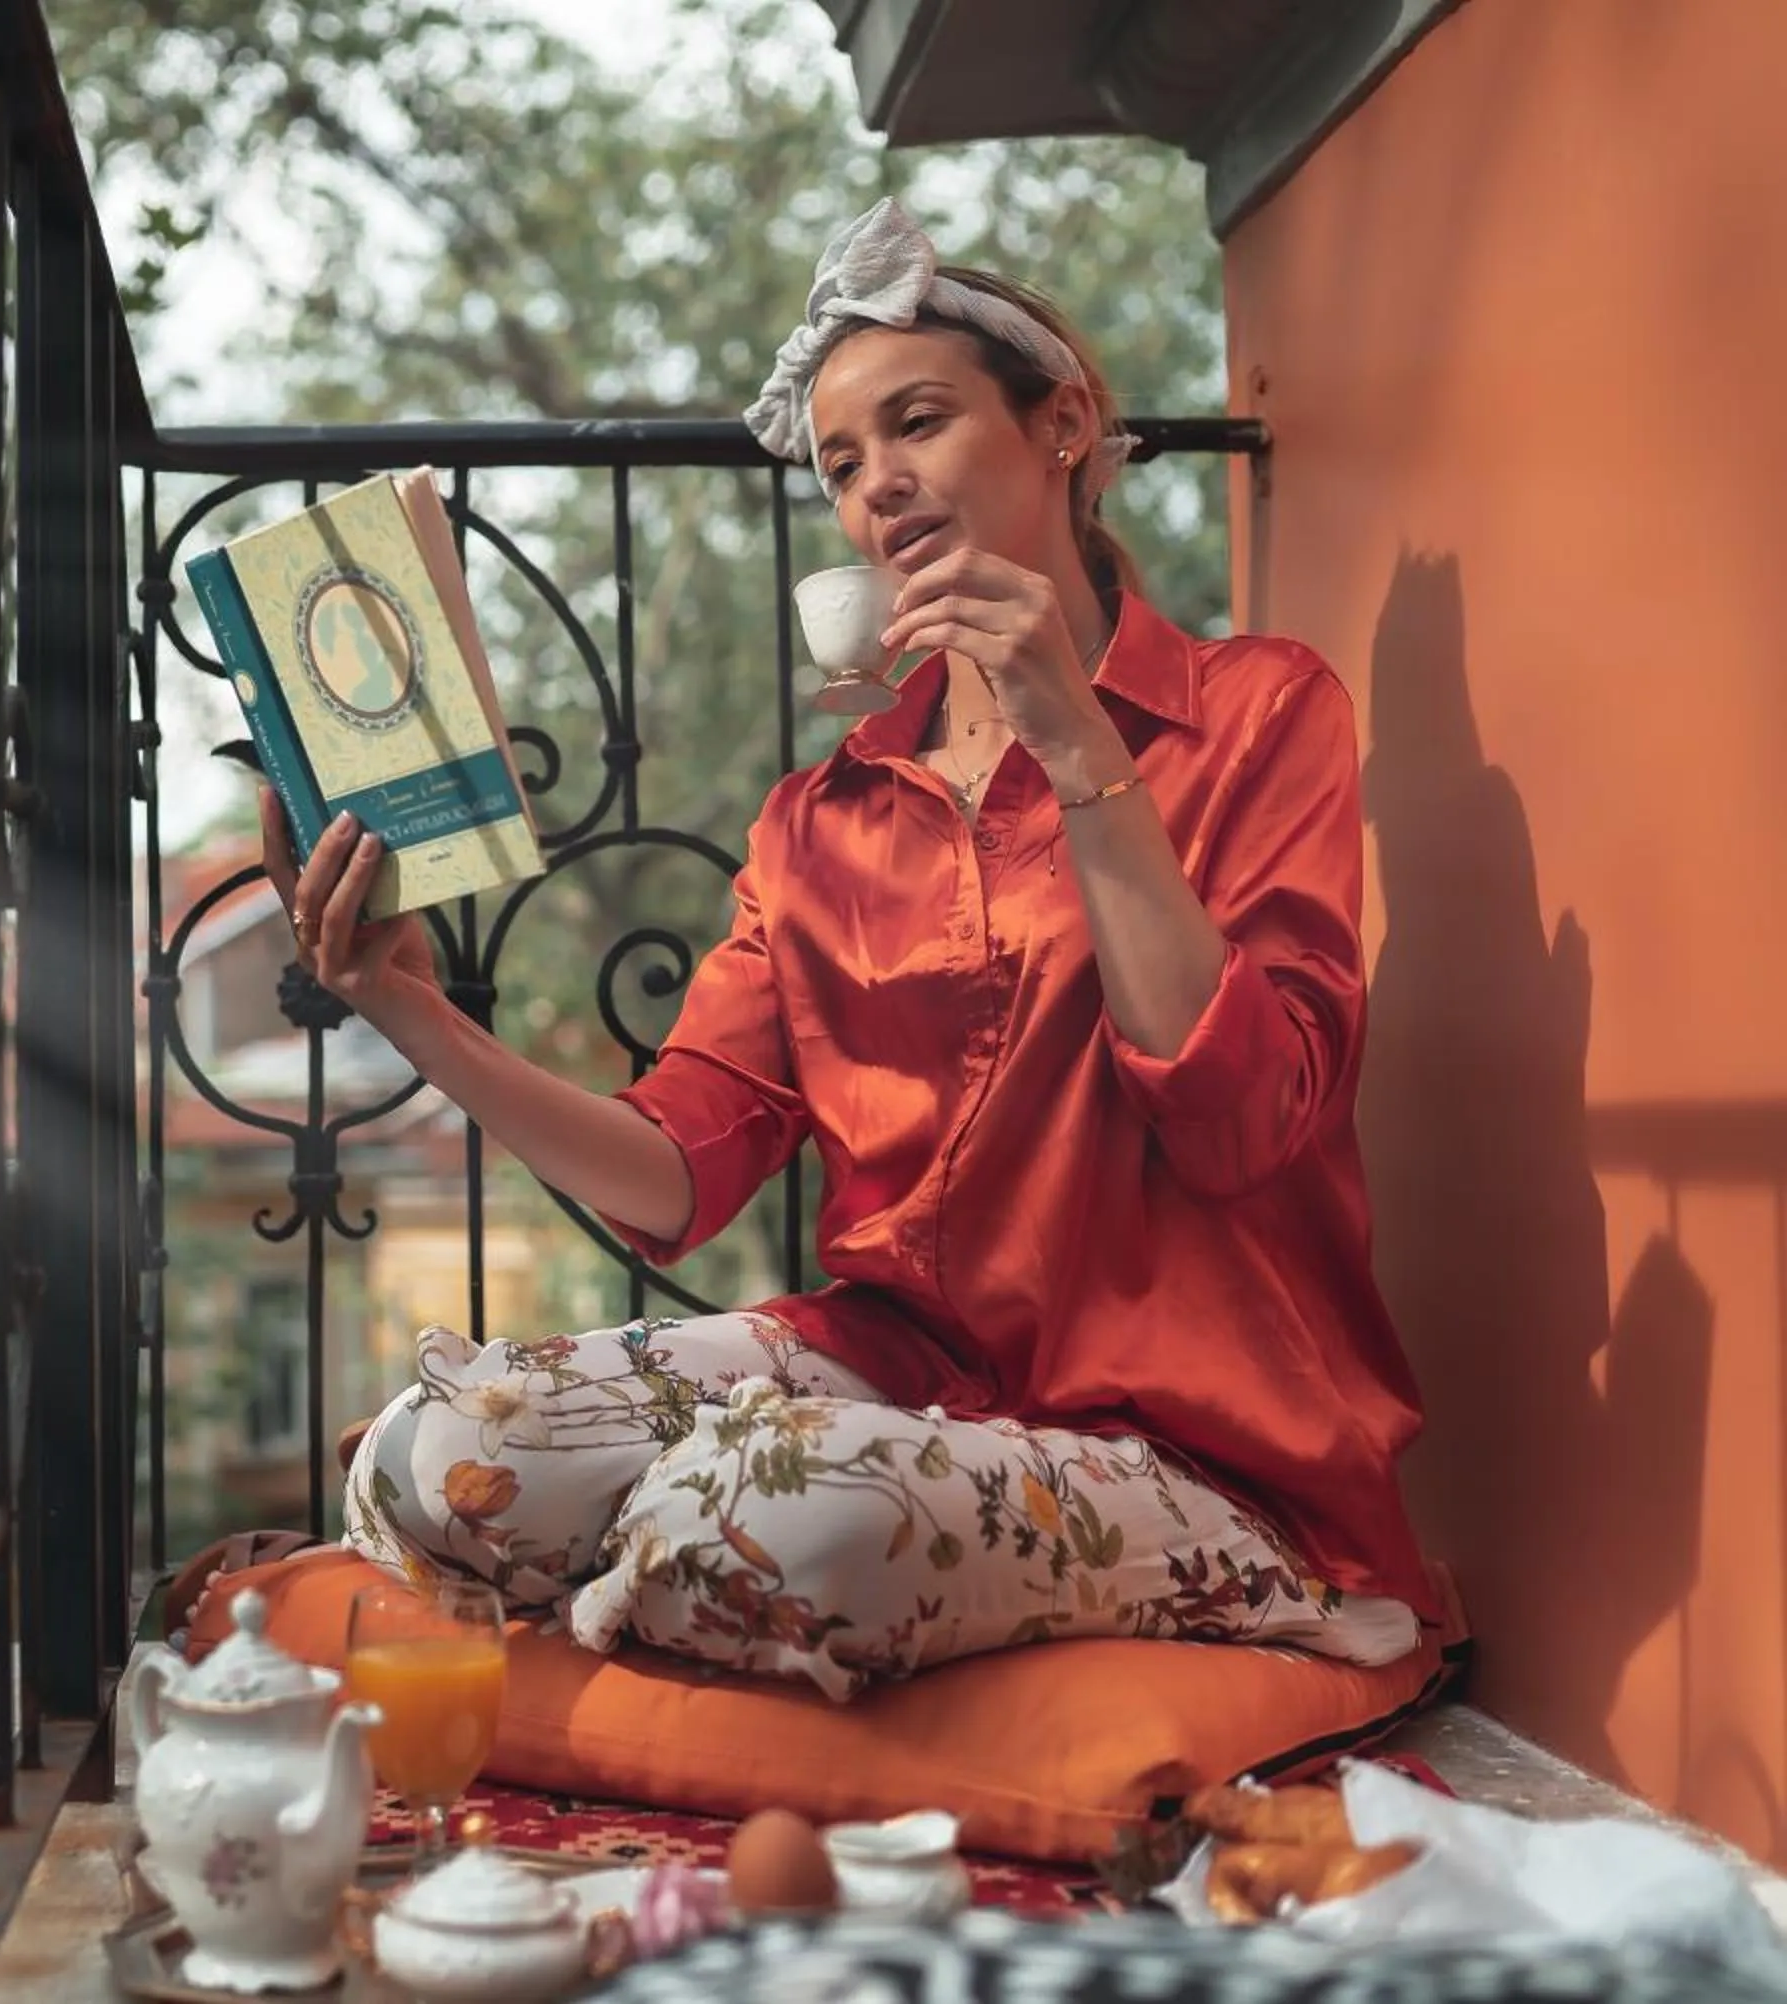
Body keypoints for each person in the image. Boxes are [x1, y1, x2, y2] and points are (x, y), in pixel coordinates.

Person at [257, 198, 1440, 1701]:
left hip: (1201, 1441)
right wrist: (412, 1009)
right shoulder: (819, 823)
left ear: (1063, 423)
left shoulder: (1261, 713)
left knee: (775, 1515)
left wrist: (1073, 740)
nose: (877, 484)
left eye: (919, 424)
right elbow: (672, 1179)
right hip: (888, 1377)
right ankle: (758, 1581)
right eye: (838, 461)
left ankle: (1236, 1601)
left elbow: (1238, 1122)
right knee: (451, 1454)